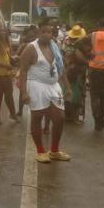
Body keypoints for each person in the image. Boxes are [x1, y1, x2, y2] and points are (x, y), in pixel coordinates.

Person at [19, 18, 72, 163]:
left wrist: (67, 87)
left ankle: (54, 150)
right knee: (37, 117)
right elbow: (22, 72)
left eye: (50, 32)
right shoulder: (31, 48)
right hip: (36, 85)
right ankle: (41, 151)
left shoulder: (54, 47)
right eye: (44, 32)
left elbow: (61, 69)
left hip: (53, 86)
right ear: (38, 32)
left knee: (60, 118)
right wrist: (23, 92)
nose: (47, 35)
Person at [63, 24, 89, 123]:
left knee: (67, 93)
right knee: (77, 94)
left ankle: (68, 115)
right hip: (76, 72)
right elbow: (82, 60)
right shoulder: (78, 47)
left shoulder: (66, 44)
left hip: (68, 72)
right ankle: (74, 116)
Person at [14, 24, 38, 119]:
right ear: (27, 36)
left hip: (34, 73)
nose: (32, 38)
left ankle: (34, 111)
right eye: (30, 36)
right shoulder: (24, 45)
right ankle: (20, 111)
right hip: (24, 71)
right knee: (22, 92)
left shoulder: (38, 46)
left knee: (35, 93)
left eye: (33, 36)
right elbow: (17, 56)